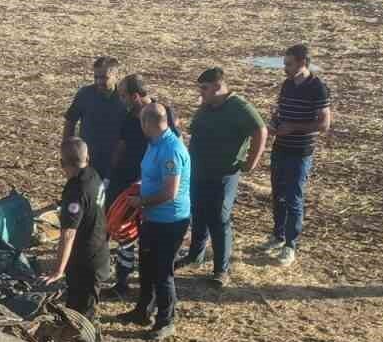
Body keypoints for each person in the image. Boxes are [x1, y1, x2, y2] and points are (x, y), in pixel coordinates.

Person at [182, 67, 267, 286]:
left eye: (204, 88)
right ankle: (195, 255)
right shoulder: (207, 106)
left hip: (224, 173)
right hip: (199, 170)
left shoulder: (240, 107)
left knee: (219, 219)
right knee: (199, 213)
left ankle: (221, 269)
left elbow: (260, 130)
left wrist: (251, 162)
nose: (200, 93)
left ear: (218, 87)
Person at [116, 102, 190, 342]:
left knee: (162, 271)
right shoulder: (154, 145)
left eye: (141, 122)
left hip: (170, 220)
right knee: (146, 266)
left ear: (148, 123)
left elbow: (170, 192)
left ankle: (166, 320)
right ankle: (142, 311)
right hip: (151, 217)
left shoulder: (171, 150)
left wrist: (141, 202)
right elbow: (150, 176)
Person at [105, 76, 178, 298]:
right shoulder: (129, 116)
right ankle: (123, 279)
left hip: (152, 187)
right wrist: (111, 176)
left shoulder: (162, 116)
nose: (121, 100)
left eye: (124, 96)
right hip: (127, 180)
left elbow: (174, 151)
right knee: (124, 231)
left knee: (148, 238)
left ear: (136, 96)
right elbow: (122, 145)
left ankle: (152, 288)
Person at [266, 43, 331, 266]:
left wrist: (293, 127)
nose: (285, 68)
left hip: (300, 151)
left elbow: (324, 124)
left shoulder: (318, 88)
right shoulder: (287, 85)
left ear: (303, 62)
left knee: (294, 198)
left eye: (289, 64)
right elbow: (281, 112)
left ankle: (290, 245)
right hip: (280, 147)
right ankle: (278, 236)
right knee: (278, 195)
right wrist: (274, 123)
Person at [43, 136, 111, 315]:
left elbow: (68, 234)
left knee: (81, 315)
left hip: (85, 263)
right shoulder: (93, 175)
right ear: (87, 159)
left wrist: (58, 270)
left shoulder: (76, 190)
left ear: (61, 163)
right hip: (99, 250)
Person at [63, 57, 127, 191]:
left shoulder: (124, 99)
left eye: (104, 78)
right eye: (96, 77)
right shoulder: (85, 94)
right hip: (88, 158)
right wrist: (67, 150)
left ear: (117, 76)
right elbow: (70, 120)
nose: (99, 82)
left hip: (115, 160)